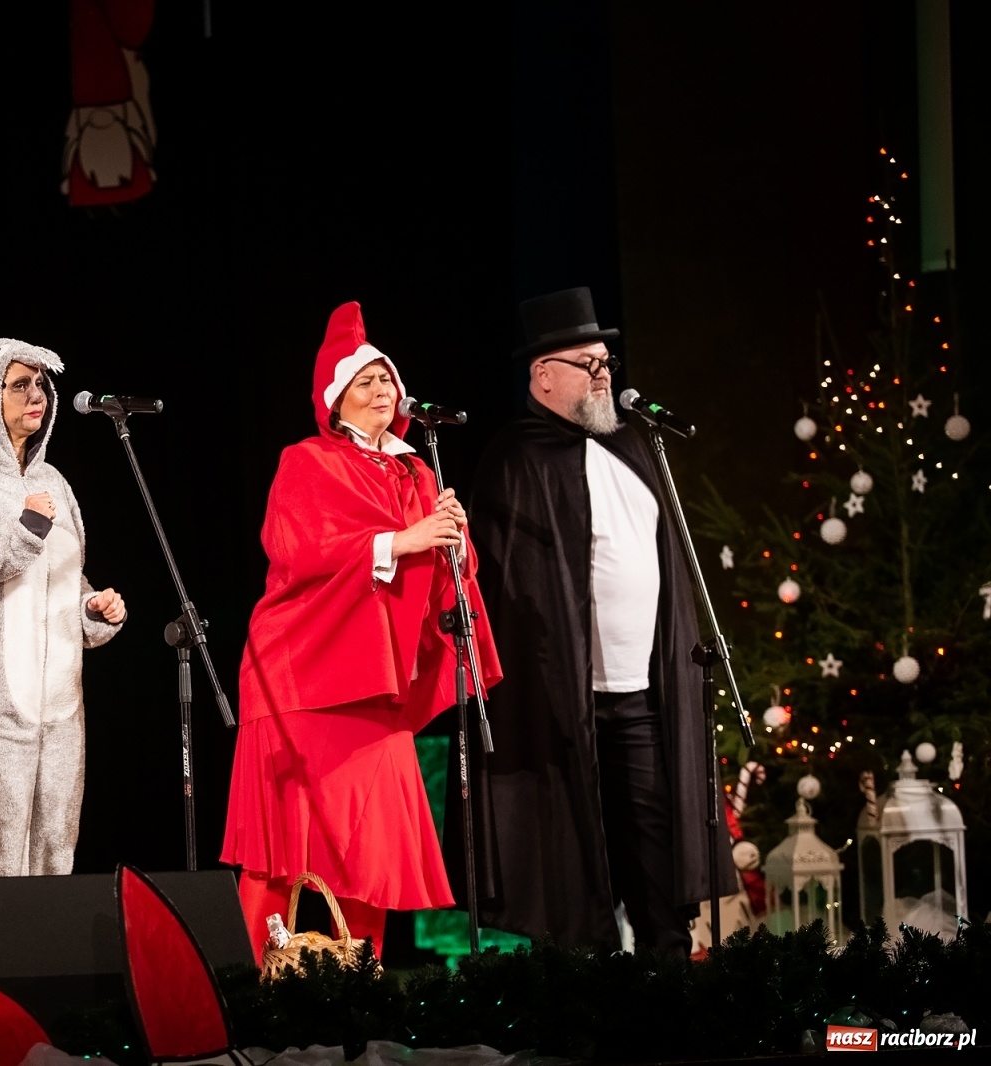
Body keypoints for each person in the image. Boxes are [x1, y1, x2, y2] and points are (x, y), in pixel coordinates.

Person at [220, 301, 501, 963]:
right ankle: (250, 982)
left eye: (387, 380)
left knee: (371, 849)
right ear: (335, 398)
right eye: (366, 381)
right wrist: (403, 539)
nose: (383, 390)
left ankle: (360, 985)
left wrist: (454, 540)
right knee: (278, 851)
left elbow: (441, 585)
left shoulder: (415, 472)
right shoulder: (308, 461)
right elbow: (296, 548)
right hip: (301, 674)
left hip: (376, 687)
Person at [465, 286, 733, 957]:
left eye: (607, 360)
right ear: (543, 375)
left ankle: (671, 980)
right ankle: (586, 999)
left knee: (654, 847)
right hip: (564, 705)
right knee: (572, 857)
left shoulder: (636, 447)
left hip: (641, 697)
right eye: (588, 362)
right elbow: (502, 588)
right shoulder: (516, 457)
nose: (604, 372)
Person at [0, 338, 126, 878]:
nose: (37, 395)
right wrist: (23, 533)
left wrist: (91, 611)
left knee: (55, 854)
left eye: (41, 384)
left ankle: (48, 963)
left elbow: (62, 582)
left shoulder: (54, 482)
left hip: (57, 709)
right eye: (19, 384)